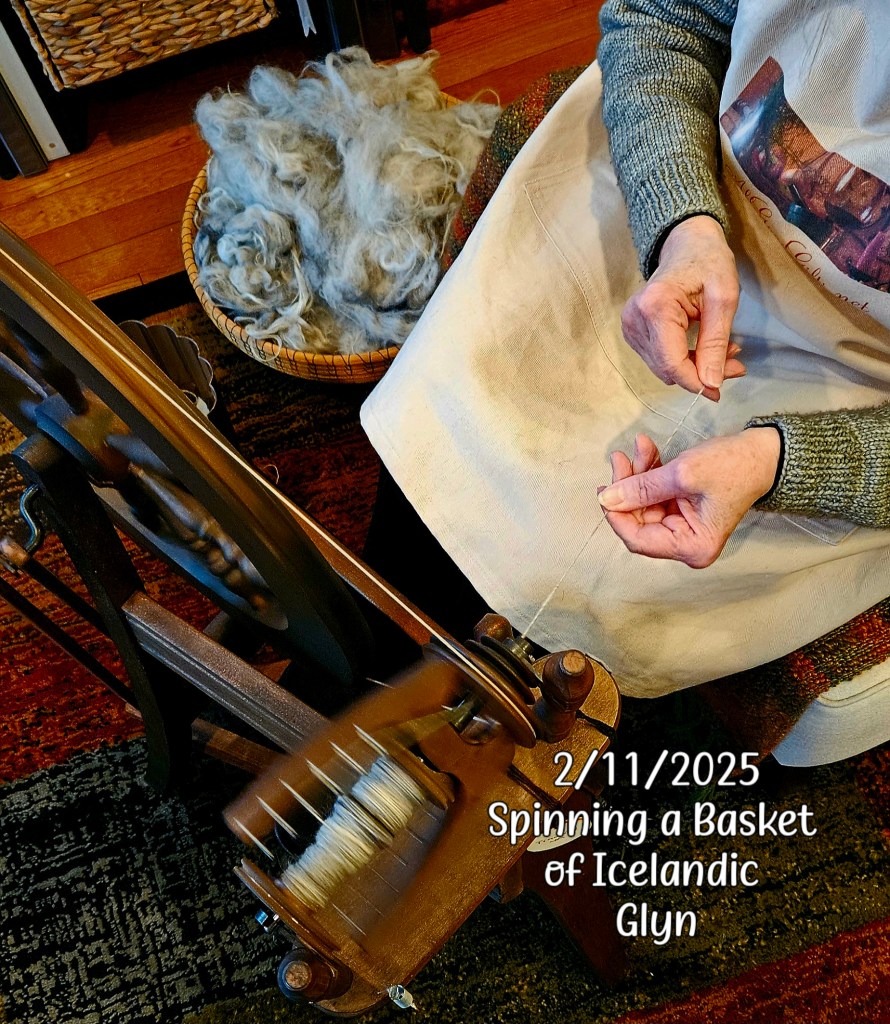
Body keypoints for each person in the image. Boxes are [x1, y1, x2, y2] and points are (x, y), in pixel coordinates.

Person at [361, 0, 890, 698]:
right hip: (689, 179)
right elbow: (661, 16)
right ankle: (364, 658)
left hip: (851, 387)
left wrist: (782, 462)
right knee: (451, 409)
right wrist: (680, 226)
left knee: (579, 579)